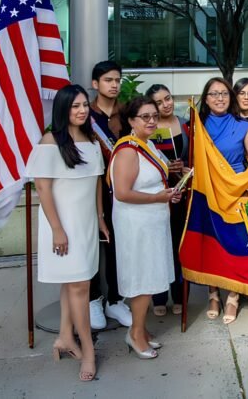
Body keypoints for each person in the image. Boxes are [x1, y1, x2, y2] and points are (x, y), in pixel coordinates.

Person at [25, 84, 105, 381]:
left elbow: (97, 182)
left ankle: (64, 337)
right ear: (63, 109)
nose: (82, 110)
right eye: (75, 106)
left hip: (86, 224)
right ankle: (88, 351)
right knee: (80, 286)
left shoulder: (92, 140)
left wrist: (100, 218)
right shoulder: (50, 141)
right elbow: (43, 188)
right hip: (61, 225)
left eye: (84, 105)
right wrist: (57, 229)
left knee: (72, 283)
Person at [110, 96, 180, 359]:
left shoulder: (147, 144)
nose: (152, 121)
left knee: (150, 276)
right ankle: (135, 334)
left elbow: (153, 181)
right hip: (136, 225)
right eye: (145, 117)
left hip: (152, 221)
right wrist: (158, 198)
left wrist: (168, 192)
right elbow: (122, 193)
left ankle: (141, 328)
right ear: (131, 120)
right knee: (142, 278)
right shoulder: (128, 150)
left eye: (154, 116)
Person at [199, 78, 248, 324]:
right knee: (211, 244)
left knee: (236, 243)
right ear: (206, 99)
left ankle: (233, 295)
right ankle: (213, 295)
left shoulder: (242, 126)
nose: (220, 98)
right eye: (214, 94)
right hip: (208, 190)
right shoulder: (197, 126)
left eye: (224, 93)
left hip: (236, 190)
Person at [88, 61, 132, 329]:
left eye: (117, 80)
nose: (114, 85)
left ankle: (115, 300)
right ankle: (93, 299)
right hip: (92, 190)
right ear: (95, 84)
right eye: (108, 80)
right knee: (93, 245)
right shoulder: (85, 114)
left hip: (123, 189)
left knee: (118, 245)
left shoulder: (127, 114)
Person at [145, 84, 189, 317]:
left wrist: (185, 167)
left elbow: (195, 157)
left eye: (168, 98)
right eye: (159, 102)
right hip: (157, 195)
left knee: (179, 245)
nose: (166, 105)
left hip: (182, 194)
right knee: (159, 246)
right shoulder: (148, 129)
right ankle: (159, 296)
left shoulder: (186, 124)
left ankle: (180, 294)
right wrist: (164, 167)